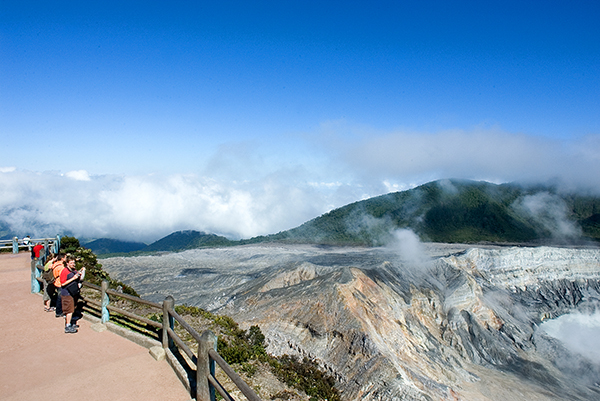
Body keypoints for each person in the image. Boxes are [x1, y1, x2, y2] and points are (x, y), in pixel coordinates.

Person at [60, 255, 85, 334]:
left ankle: (71, 323)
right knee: (69, 310)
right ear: (67, 263)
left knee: (72, 307)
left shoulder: (73, 270)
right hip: (67, 293)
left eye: (74, 263)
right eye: (71, 263)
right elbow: (63, 283)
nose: (73, 264)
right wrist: (73, 278)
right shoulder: (65, 271)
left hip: (73, 292)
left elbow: (77, 275)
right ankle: (67, 326)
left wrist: (81, 271)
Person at [52, 254, 66, 318]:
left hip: (56, 282)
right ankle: (59, 312)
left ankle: (58, 310)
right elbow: (63, 276)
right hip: (60, 283)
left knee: (59, 297)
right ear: (62, 258)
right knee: (60, 298)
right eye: (65, 257)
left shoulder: (55, 264)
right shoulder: (61, 267)